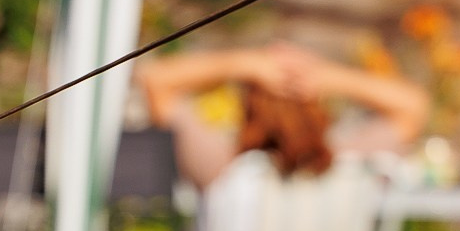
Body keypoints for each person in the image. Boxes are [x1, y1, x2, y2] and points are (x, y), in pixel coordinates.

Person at [135, 42, 432, 189]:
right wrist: (329, 77)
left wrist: (241, 64)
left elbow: (155, 80)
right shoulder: (346, 165)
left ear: (249, 103)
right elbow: (414, 107)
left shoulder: (223, 172)